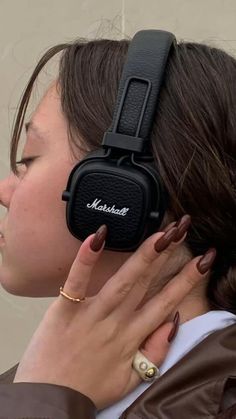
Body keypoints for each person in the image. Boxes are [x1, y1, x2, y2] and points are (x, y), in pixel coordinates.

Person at [0, 29, 235, 418]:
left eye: (28, 160)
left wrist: (44, 400)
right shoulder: (37, 376)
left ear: (117, 195)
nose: (5, 191)